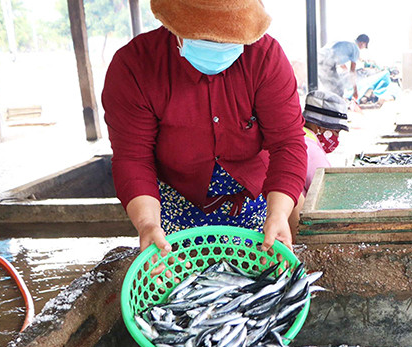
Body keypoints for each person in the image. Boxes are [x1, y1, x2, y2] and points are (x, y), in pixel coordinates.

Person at [101, 0, 306, 256]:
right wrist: (147, 224)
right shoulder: (134, 66)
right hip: (176, 200)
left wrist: (278, 214)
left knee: (261, 276)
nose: (219, 46)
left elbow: (287, 143)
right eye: (206, 38)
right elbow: (133, 157)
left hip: (255, 198)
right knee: (181, 280)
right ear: (173, 25)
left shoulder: (265, 57)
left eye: (229, 38)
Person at [288, 90, 349, 238]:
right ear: (320, 128)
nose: (336, 138)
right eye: (336, 132)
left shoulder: (297, 135)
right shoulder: (310, 148)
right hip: (295, 226)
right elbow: (329, 193)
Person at [318, 34, 369, 100]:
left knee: (328, 88)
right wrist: (355, 91)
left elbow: (341, 63)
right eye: (364, 46)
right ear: (362, 43)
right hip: (327, 63)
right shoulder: (356, 49)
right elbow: (352, 71)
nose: (363, 48)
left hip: (318, 59)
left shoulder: (346, 44)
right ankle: (335, 108)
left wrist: (346, 72)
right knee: (338, 90)